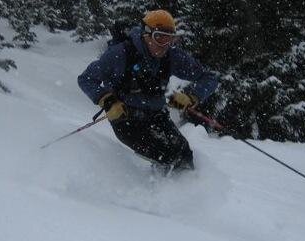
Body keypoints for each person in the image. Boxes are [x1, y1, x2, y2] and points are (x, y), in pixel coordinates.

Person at [78, 9, 218, 173]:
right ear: (146, 35)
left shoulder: (171, 56)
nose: (164, 45)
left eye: (170, 39)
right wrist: (108, 101)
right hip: (126, 119)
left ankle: (175, 192)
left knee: (185, 156)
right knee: (167, 156)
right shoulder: (120, 54)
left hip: (157, 115)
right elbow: (86, 78)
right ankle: (154, 192)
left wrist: (192, 97)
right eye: (159, 37)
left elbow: (209, 77)